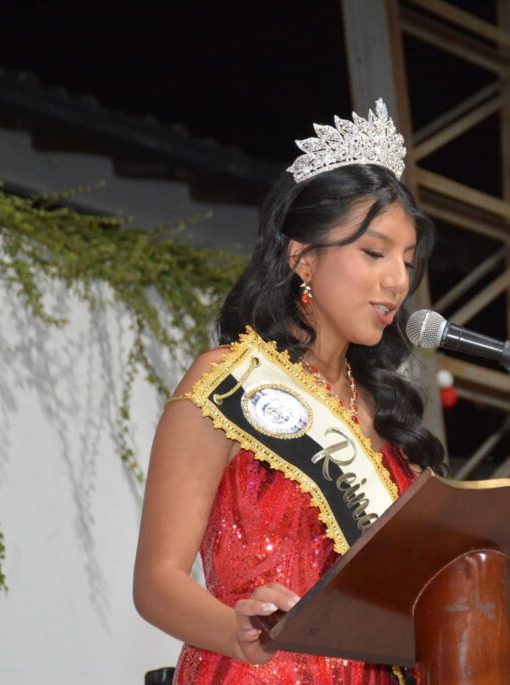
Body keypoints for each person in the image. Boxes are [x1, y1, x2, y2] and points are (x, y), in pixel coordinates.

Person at [133, 99, 446, 685]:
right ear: (303, 257)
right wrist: (235, 629)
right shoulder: (228, 381)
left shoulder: (386, 413)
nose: (398, 280)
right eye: (373, 252)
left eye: (407, 261)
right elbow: (155, 582)